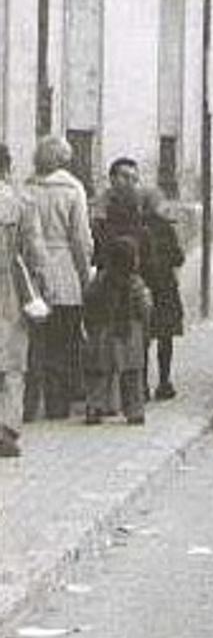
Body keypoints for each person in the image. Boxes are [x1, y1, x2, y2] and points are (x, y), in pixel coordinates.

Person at [24, 136, 92, 421]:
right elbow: (80, 238)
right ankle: (57, 404)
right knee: (64, 342)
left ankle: (28, 405)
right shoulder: (73, 189)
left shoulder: (27, 188)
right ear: (66, 159)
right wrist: (85, 273)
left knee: (33, 342)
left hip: (32, 274)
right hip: (65, 272)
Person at [0, 145, 49, 456]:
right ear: (7, 167)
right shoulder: (21, 202)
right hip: (10, 290)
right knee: (12, 363)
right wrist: (41, 288)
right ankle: (6, 429)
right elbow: (35, 252)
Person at [83, 236, 152, 426]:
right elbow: (145, 308)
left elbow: (88, 302)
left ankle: (94, 408)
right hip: (129, 333)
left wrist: (91, 326)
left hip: (102, 333)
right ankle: (135, 411)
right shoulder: (135, 283)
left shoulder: (100, 280)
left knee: (99, 375)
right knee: (132, 376)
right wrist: (146, 327)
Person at [141, 189, 184, 400]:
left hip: (143, 286)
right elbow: (178, 257)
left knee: (143, 338)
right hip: (165, 287)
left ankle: (141, 385)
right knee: (165, 338)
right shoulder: (166, 227)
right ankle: (164, 382)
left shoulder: (138, 224)